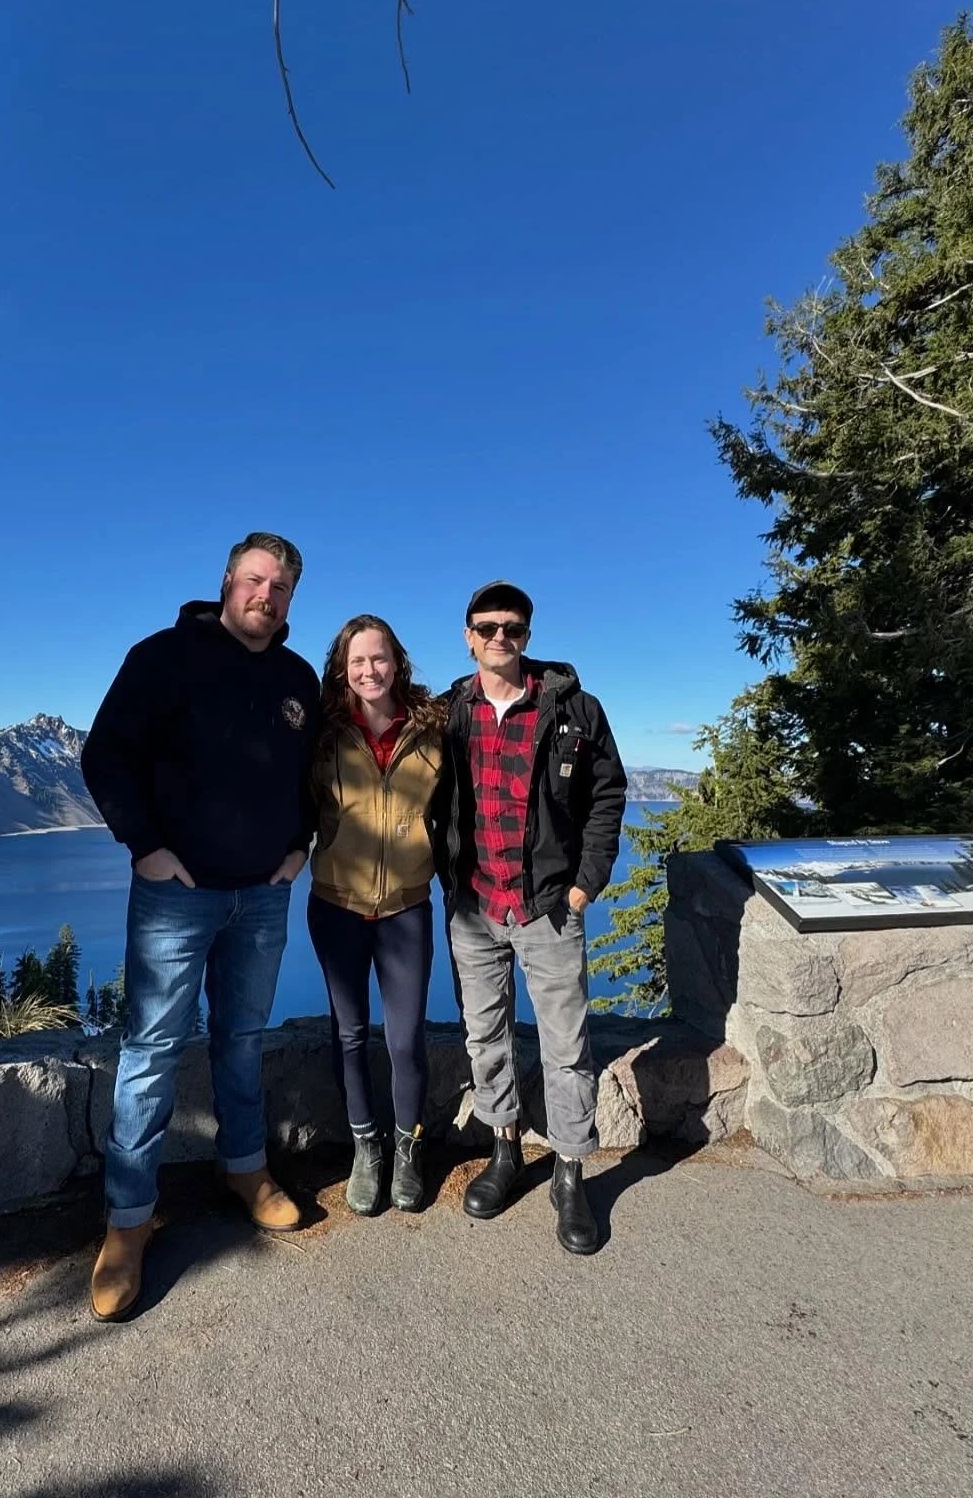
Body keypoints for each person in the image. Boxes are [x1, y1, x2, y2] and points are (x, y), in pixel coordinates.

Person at [79, 531, 320, 1322]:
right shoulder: (162, 657)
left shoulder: (297, 679)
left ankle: (244, 1168)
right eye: (255, 579)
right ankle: (128, 1220)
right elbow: (105, 756)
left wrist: (299, 846)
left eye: (281, 587)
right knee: (150, 1050)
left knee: (241, 1038)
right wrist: (145, 847)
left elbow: (312, 775)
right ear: (227, 580)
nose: (266, 596)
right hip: (176, 898)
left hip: (262, 896)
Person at [436, 580, 627, 1255]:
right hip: (475, 906)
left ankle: (570, 1173)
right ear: (468, 636)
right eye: (487, 627)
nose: (500, 638)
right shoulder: (449, 712)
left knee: (566, 1046)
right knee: (485, 1036)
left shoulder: (574, 708)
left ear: (527, 635)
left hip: (547, 906)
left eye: (512, 627)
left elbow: (607, 794)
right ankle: (505, 1149)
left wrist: (584, 886)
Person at [307, 615, 446, 1216]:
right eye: (358, 660)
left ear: (397, 662)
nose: (370, 670)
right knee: (349, 1034)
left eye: (379, 658)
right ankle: (366, 1148)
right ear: (343, 669)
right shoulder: (323, 733)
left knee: (406, 1038)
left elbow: (456, 810)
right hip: (337, 906)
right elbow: (292, 804)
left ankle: (407, 1148)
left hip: (406, 908)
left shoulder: (432, 729)